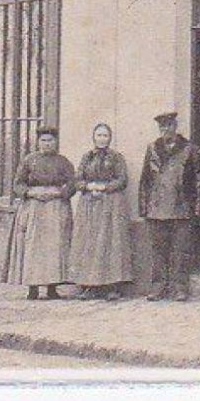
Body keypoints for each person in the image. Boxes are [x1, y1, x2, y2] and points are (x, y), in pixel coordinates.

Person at [2, 127, 75, 300]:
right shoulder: (29, 161)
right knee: (33, 247)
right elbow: (18, 184)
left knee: (55, 246)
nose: (47, 144)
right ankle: (32, 288)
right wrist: (30, 193)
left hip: (56, 207)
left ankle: (52, 287)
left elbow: (73, 183)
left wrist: (59, 193)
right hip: (34, 207)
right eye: (43, 140)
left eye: (50, 140)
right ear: (38, 142)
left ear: (56, 142)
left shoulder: (63, 162)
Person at [139, 109, 200, 302]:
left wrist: (197, 205)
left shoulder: (189, 149)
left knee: (180, 250)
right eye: (162, 127)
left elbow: (198, 179)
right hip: (157, 208)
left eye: (169, 126)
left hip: (181, 206)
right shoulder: (152, 149)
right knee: (158, 250)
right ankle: (158, 287)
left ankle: (180, 288)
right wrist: (144, 207)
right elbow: (145, 180)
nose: (166, 130)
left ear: (176, 127)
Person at [68, 123, 134, 299]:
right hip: (89, 204)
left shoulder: (116, 157)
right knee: (90, 243)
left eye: (105, 136)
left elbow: (122, 180)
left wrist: (104, 187)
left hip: (111, 204)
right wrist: (89, 186)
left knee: (110, 243)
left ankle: (111, 286)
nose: (102, 139)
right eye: (99, 135)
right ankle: (90, 285)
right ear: (94, 137)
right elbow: (77, 179)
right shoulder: (87, 157)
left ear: (109, 138)